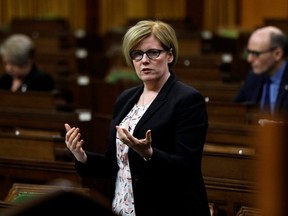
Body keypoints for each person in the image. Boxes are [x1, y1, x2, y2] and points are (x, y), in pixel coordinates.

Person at [64, 20, 210, 216]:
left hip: (167, 208)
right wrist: (82, 156)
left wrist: (150, 153)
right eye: (137, 54)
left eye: (153, 52)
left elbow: (187, 168)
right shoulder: (126, 98)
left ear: (170, 55)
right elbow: (115, 162)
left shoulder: (188, 100)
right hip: (123, 206)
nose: (144, 60)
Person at [233, 26, 288, 119]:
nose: (249, 59)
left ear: (277, 54)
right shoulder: (253, 77)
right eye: (248, 52)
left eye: (255, 54)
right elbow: (235, 110)